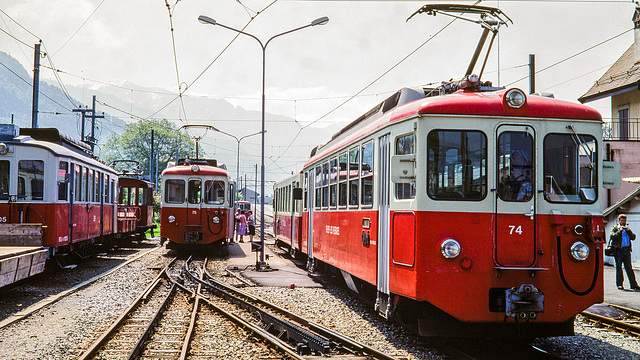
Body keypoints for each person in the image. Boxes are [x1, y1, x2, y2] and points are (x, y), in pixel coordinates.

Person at [609, 214, 640, 290]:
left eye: (624, 221)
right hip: (619, 250)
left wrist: (628, 231)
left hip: (626, 250)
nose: (623, 222)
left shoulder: (627, 229)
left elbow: (633, 237)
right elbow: (612, 236)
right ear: (619, 221)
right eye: (622, 221)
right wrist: (619, 231)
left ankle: (633, 284)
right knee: (619, 268)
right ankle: (619, 284)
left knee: (629, 268)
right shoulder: (615, 228)